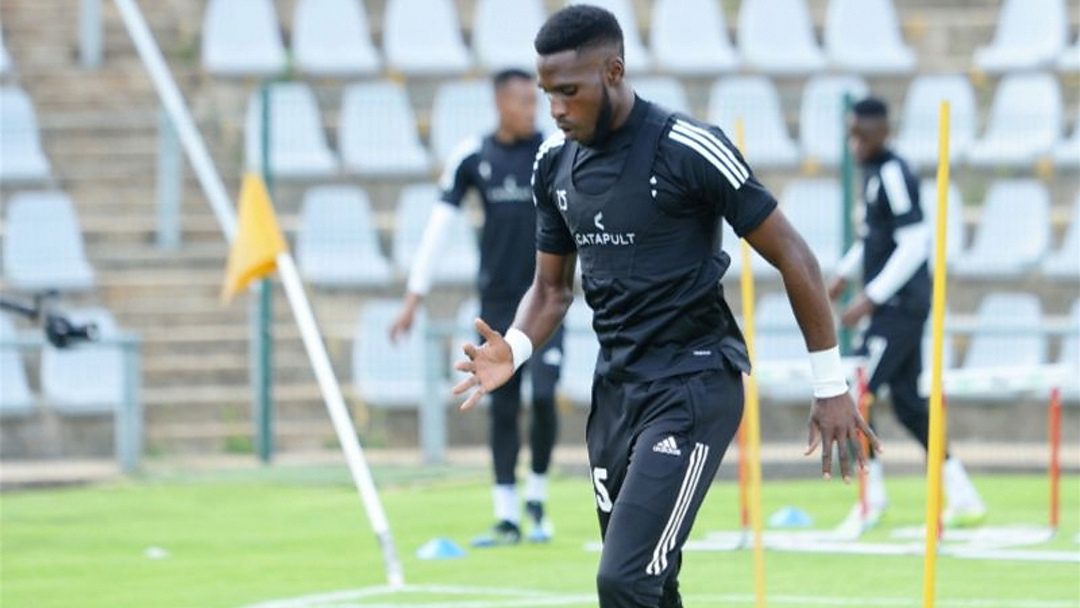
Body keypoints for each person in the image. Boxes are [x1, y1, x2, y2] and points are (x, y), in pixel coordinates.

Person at [451, 6, 878, 607]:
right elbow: (551, 289)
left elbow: (796, 258)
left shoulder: (688, 148)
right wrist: (515, 350)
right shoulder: (553, 164)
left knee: (622, 579)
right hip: (617, 394)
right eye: (548, 94)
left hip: (693, 383)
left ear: (615, 70)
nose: (556, 109)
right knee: (650, 584)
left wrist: (830, 385)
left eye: (569, 92)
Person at [390, 69, 565, 547]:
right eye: (523, 102)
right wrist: (413, 297)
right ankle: (506, 515)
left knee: (546, 399)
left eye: (536, 101)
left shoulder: (553, 152)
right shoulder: (474, 156)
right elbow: (439, 227)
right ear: (500, 104)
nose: (533, 110)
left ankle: (538, 500)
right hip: (497, 305)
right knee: (503, 406)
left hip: (546, 300)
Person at [829, 97, 986, 528]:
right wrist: (845, 272)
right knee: (909, 405)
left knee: (856, 389)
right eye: (851, 133)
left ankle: (870, 499)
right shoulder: (875, 174)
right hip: (897, 306)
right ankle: (963, 494)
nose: (854, 142)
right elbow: (877, 238)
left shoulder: (894, 172)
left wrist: (872, 297)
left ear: (881, 131)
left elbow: (915, 243)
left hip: (898, 307)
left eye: (860, 134)